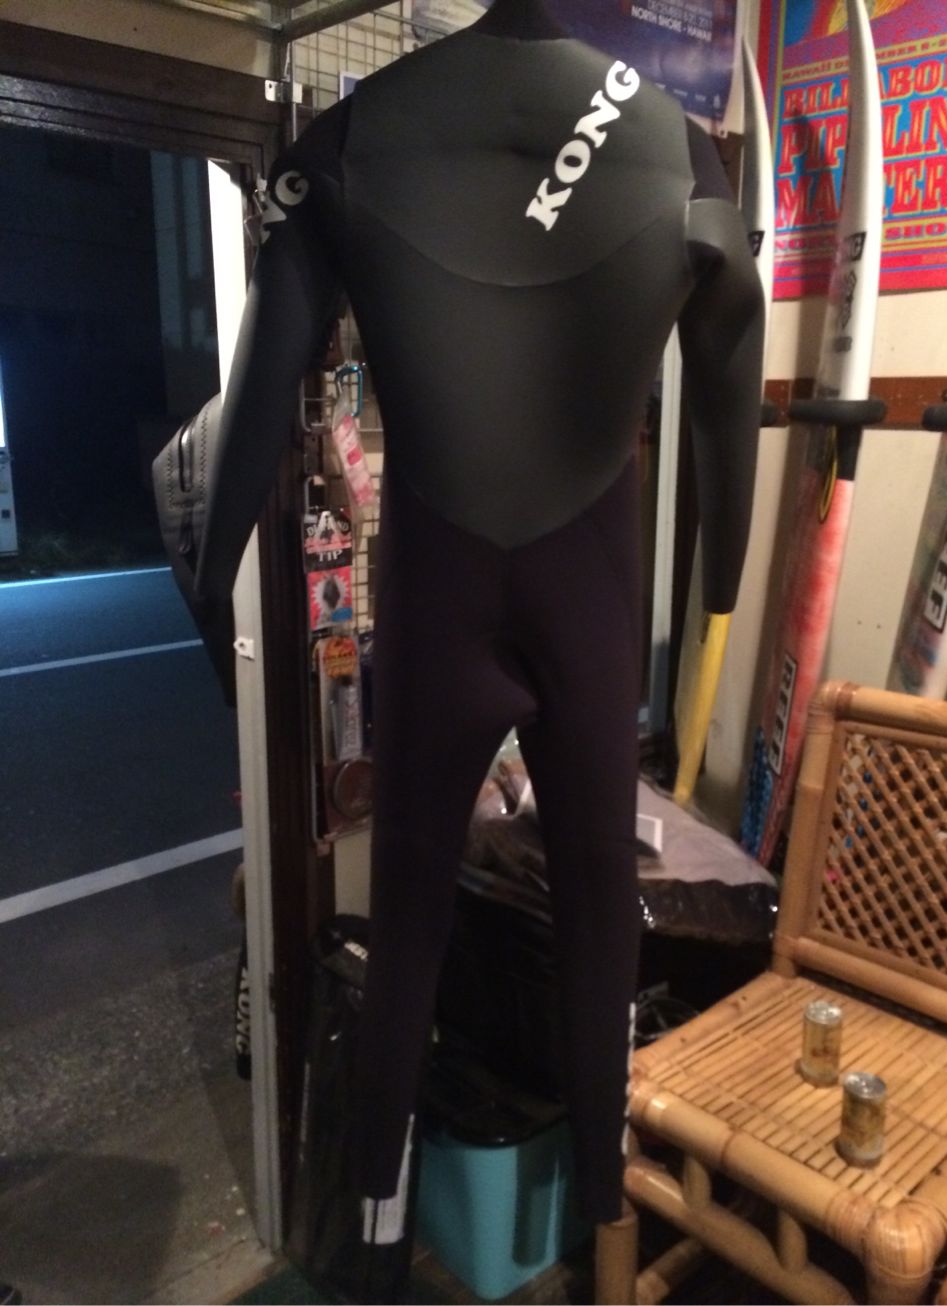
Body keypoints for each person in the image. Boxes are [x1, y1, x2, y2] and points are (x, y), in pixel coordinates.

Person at [174, 0, 764, 1239]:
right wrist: (720, 576)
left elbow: (265, 363)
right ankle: (597, 1200)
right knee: (596, 897)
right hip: (588, 587)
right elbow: (727, 364)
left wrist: (213, 572)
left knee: (409, 909)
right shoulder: (673, 144)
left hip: (436, 578)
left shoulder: (356, 135)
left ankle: (376, 1208)